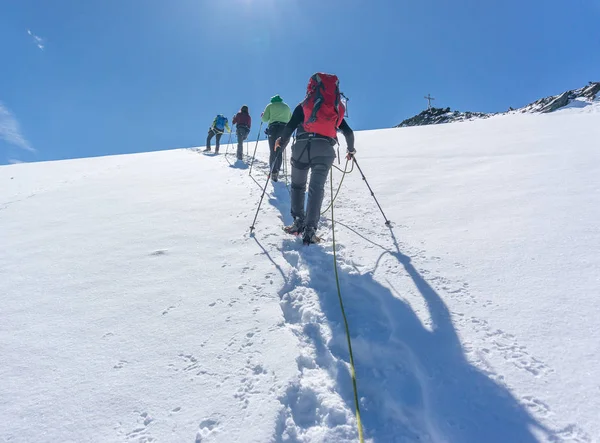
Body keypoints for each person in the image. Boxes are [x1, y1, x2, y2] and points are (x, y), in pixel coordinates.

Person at [275, 73, 355, 244]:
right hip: (324, 150)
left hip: (302, 148)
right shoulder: (336, 107)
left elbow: (290, 126)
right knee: (316, 188)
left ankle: (298, 222)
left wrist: (281, 142)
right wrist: (351, 150)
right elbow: (348, 131)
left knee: (298, 185)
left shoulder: (304, 105)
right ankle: (310, 230)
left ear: (311, 87)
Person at [261, 95, 292, 181]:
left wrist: (263, 115)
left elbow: (264, 119)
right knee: (279, 151)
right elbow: (290, 119)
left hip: (273, 128)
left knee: (273, 150)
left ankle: (273, 172)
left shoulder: (270, 105)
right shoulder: (286, 106)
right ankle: (277, 170)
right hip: (284, 129)